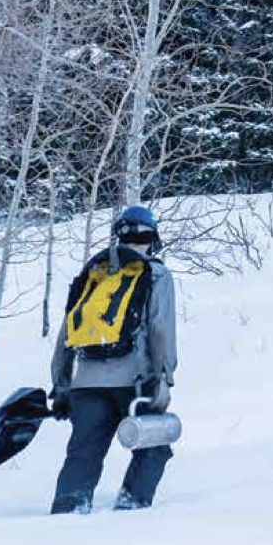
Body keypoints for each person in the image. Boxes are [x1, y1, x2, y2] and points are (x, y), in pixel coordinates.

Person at [48, 203, 177, 514]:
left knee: (83, 453)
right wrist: (163, 377)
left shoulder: (94, 273)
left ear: (118, 236)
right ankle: (130, 509)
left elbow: (66, 334)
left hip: (85, 382)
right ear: (153, 237)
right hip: (136, 380)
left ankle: (67, 512)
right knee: (154, 444)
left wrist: (62, 385)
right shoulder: (156, 273)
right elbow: (161, 329)